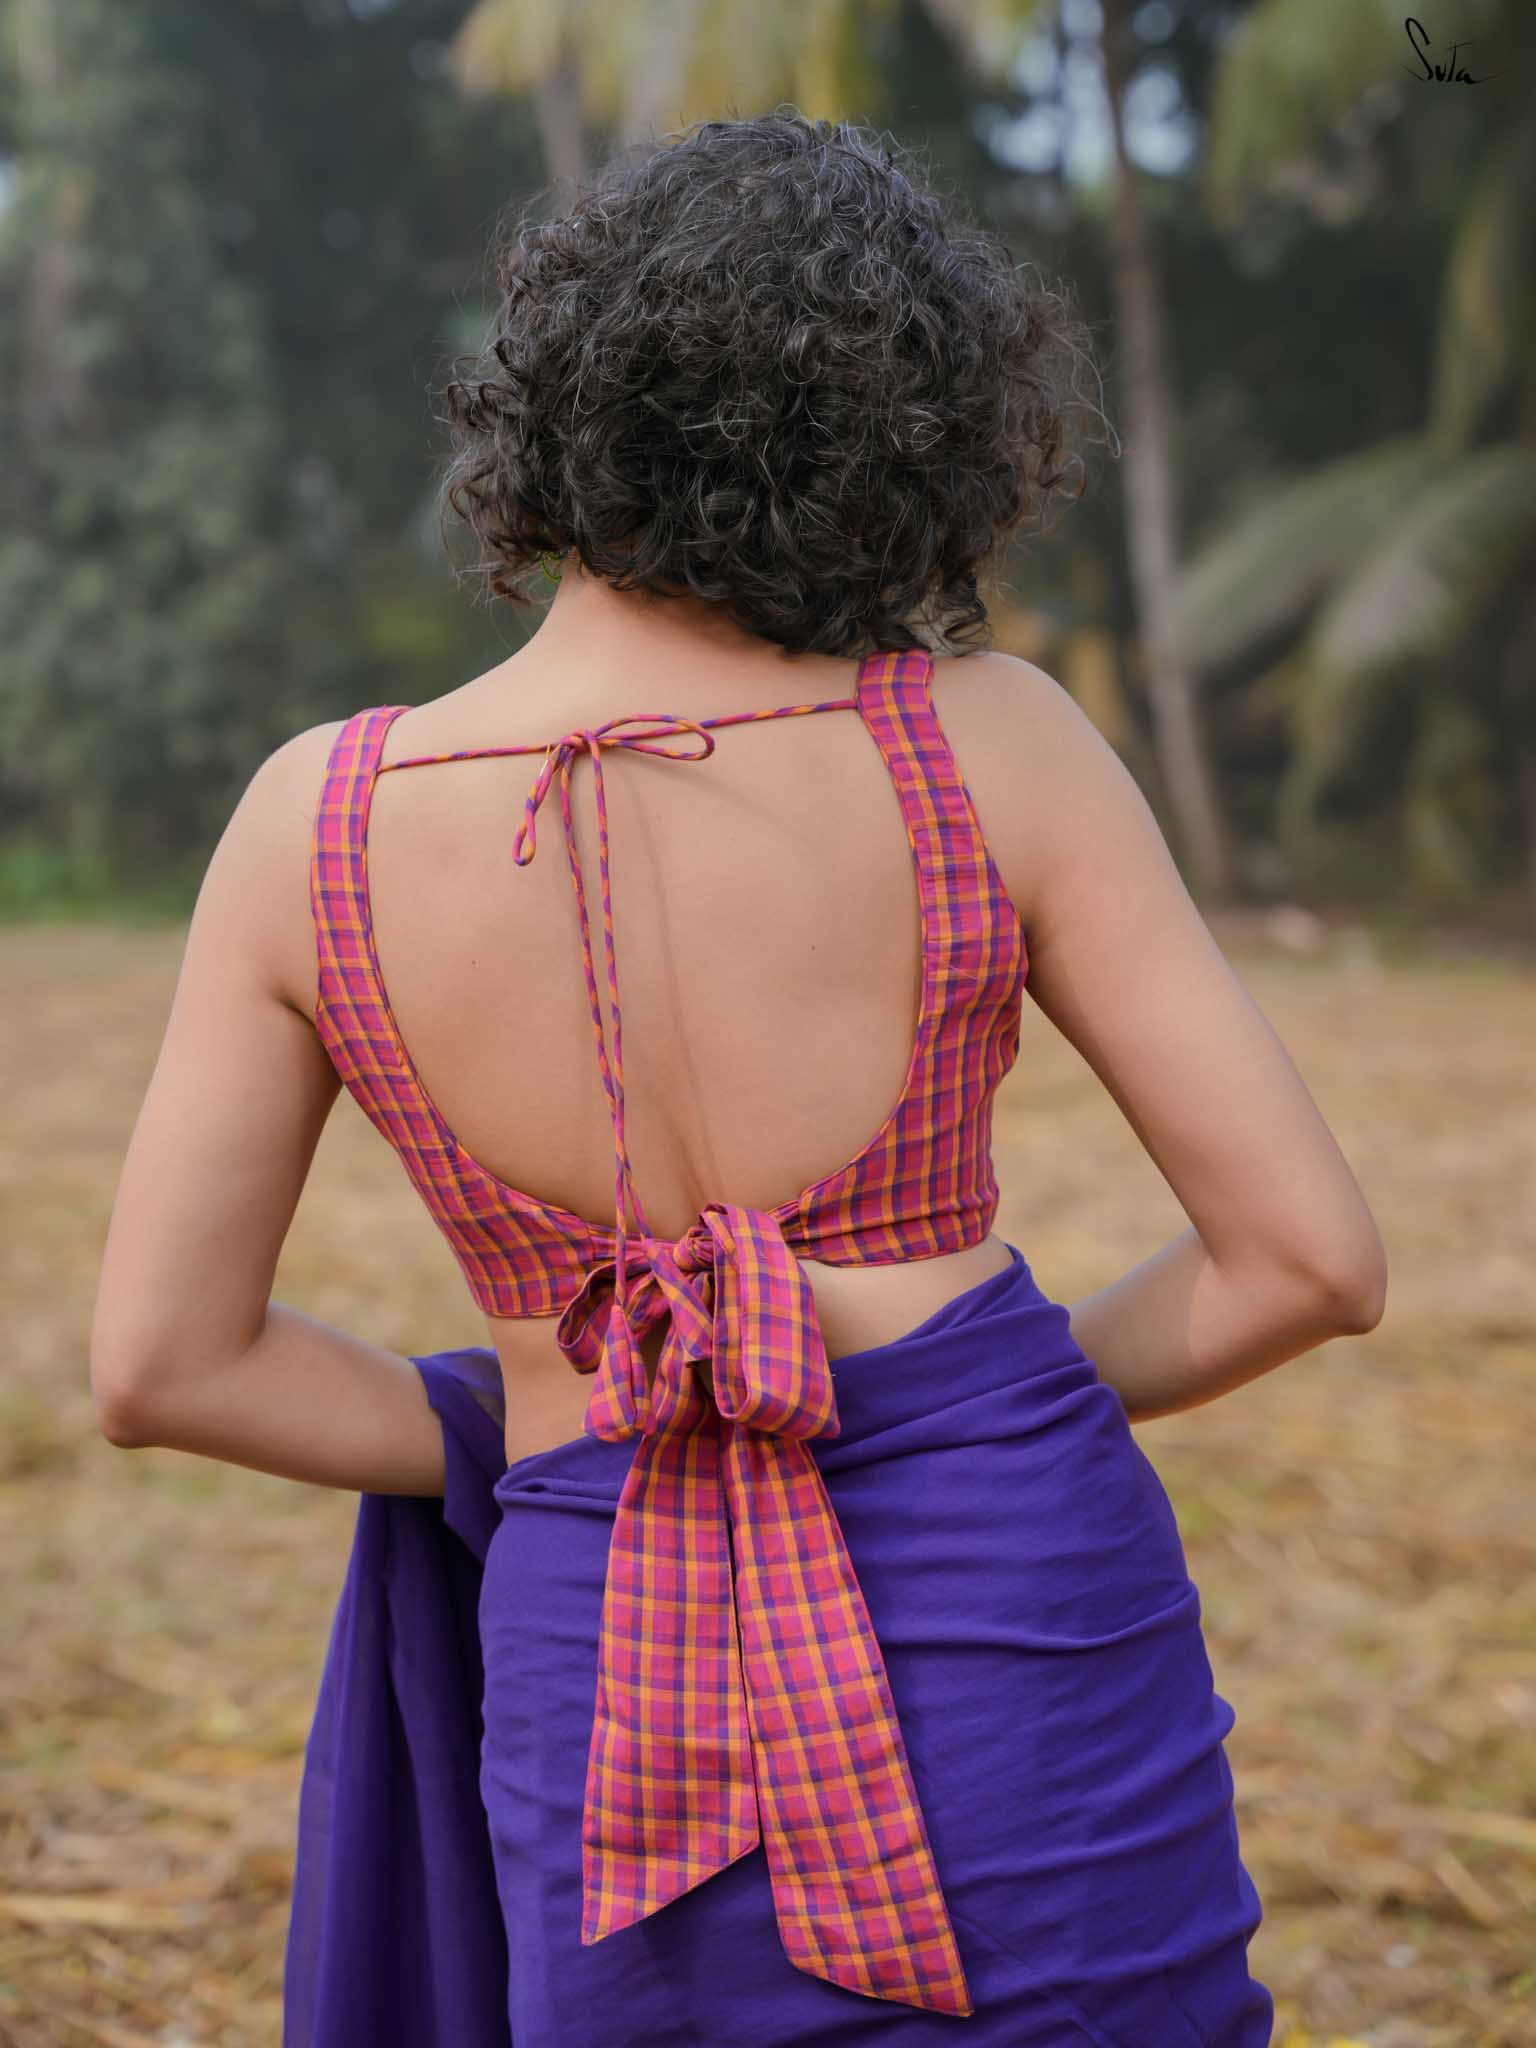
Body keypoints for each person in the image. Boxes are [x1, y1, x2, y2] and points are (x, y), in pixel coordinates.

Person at [90, 111, 1385, 2047]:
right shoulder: (991, 744)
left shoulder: (313, 821)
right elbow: (1311, 1261)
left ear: (551, 406)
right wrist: (962, 1403)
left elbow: (162, 1365)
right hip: (1024, 1622)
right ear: (911, 443)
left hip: (599, 1657)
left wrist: (527, 1423)